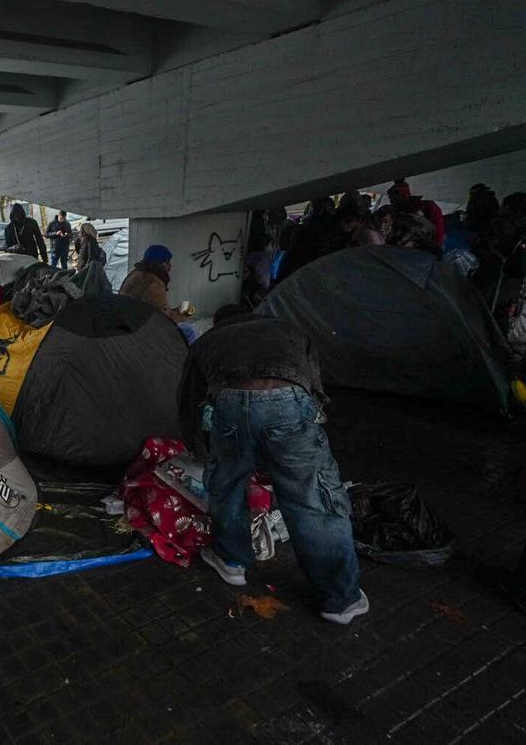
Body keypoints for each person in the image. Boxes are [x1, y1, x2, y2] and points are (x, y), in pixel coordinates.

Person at [178, 306, 367, 624]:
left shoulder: (207, 341)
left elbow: (189, 401)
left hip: (229, 403)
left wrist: (197, 447)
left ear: (219, 323)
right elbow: (313, 383)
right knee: (312, 495)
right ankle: (340, 599)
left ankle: (231, 561)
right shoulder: (289, 330)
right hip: (288, 401)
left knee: (227, 481)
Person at [119, 244, 185, 321]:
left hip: (124, 321)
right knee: (187, 329)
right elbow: (165, 318)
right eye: (167, 262)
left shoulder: (135, 274)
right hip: (139, 326)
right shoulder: (155, 284)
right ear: (160, 263)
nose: (170, 265)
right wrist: (182, 313)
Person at [386, 179, 445, 249]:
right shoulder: (392, 212)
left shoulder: (427, 206)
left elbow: (439, 228)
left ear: (403, 196)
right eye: (391, 199)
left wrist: (436, 246)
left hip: (425, 249)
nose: (392, 202)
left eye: (394, 198)